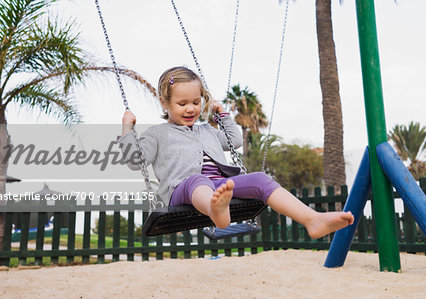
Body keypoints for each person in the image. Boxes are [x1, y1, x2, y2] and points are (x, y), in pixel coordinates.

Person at [118, 66, 354, 239]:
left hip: (222, 186)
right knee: (198, 180)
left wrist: (223, 116)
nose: (191, 108)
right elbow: (134, 161)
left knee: (260, 179)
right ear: (164, 103)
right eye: (182, 104)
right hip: (183, 189)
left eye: (196, 102)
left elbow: (235, 140)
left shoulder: (207, 131)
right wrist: (127, 129)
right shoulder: (158, 134)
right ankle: (216, 210)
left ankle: (312, 220)